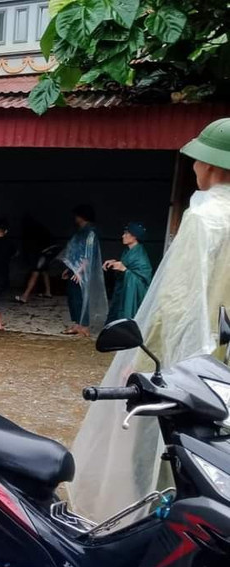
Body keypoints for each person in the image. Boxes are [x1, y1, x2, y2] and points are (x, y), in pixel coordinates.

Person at [70, 118, 230, 522]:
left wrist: (140, 361)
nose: (193, 167)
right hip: (223, 365)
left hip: (187, 364)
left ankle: (147, 522)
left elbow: (176, 303)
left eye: (196, 160)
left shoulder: (206, 215)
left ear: (211, 166)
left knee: (158, 452)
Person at [59, 205, 107, 337]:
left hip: (82, 271)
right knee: (73, 297)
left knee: (81, 297)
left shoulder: (91, 232)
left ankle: (84, 326)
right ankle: (77, 324)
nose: (75, 218)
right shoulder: (81, 231)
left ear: (82, 217)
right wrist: (69, 269)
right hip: (74, 270)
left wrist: (79, 270)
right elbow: (74, 251)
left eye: (77, 215)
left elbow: (89, 254)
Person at [104, 222, 153, 323]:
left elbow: (143, 281)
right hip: (122, 291)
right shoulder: (128, 251)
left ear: (134, 236)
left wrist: (125, 270)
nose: (123, 236)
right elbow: (127, 264)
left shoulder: (141, 257)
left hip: (131, 295)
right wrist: (115, 262)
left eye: (126, 233)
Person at [14, 215, 60, 304]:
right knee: (44, 270)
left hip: (45, 251)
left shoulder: (31, 231)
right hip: (51, 250)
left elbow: (32, 247)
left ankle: (25, 296)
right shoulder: (39, 228)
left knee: (35, 271)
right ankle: (48, 292)